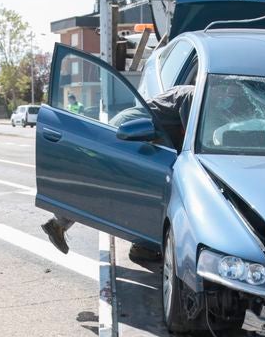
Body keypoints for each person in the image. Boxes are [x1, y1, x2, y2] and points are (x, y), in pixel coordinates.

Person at [41, 84, 194, 255]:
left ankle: (143, 245)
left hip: (138, 134)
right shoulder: (192, 95)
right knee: (107, 185)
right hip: (129, 133)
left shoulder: (188, 91)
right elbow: (193, 137)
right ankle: (58, 223)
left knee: (120, 187)